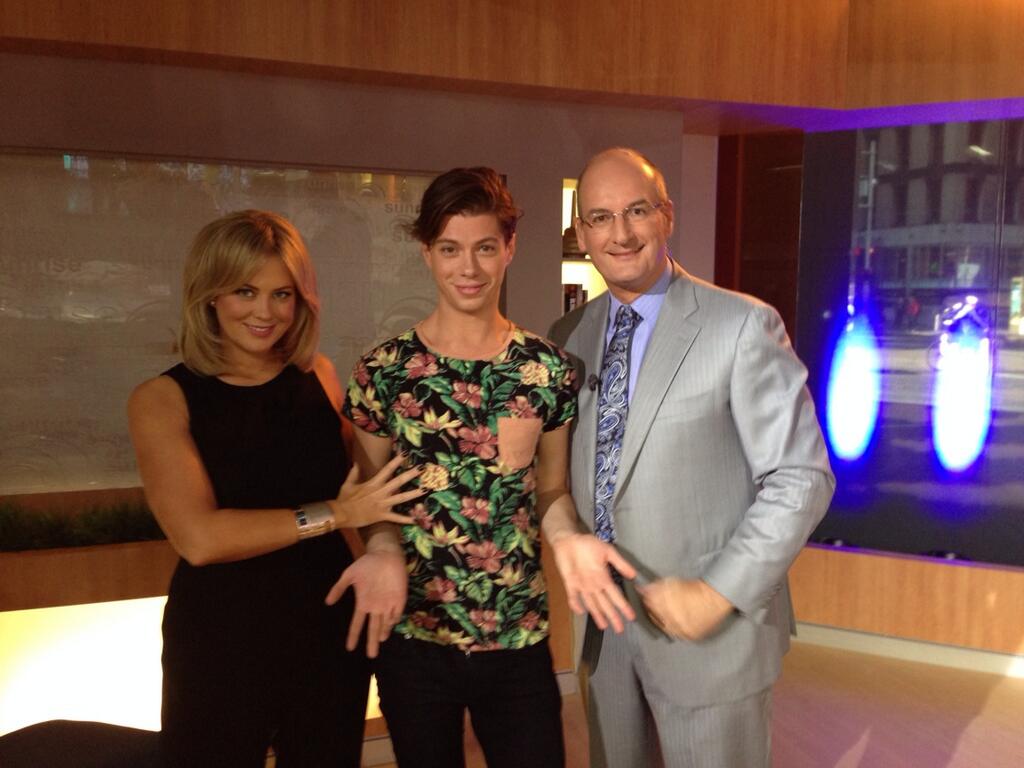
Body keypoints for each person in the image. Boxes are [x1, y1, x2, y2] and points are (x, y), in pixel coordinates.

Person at [546, 148, 835, 767]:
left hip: (712, 634)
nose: (621, 234)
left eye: (637, 211)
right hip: (604, 633)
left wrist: (717, 592)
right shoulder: (567, 338)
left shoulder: (742, 325)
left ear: (667, 215)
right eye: (600, 218)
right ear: (580, 234)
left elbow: (801, 478)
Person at [128, 209, 421, 768]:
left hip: (328, 626)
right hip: (220, 638)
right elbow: (199, 539)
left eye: (281, 294)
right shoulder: (161, 399)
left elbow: (366, 489)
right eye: (245, 290)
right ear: (210, 294)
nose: (265, 312)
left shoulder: (320, 375)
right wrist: (335, 513)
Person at [342, 167, 577, 767]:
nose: (468, 268)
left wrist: (572, 541)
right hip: (414, 634)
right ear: (427, 252)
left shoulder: (547, 370)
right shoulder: (384, 371)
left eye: (484, 248)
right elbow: (367, 497)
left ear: (509, 248)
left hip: (517, 633)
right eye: (450, 249)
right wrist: (382, 548)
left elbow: (551, 490)